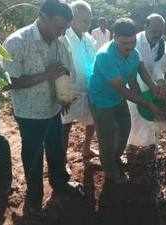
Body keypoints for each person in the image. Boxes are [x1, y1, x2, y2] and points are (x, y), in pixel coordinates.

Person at [2, 0, 76, 217]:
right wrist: (46, 75)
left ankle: (60, 182)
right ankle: (34, 199)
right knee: (34, 155)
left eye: (65, 29)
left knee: (55, 148)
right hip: (30, 113)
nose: (62, 33)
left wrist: (64, 97)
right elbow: (8, 81)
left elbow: (63, 71)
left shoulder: (59, 41)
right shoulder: (17, 42)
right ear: (43, 17)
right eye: (59, 26)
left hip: (53, 109)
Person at [88, 18, 165, 184]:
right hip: (101, 100)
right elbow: (124, 89)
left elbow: (140, 70)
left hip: (118, 97)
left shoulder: (134, 53)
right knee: (107, 135)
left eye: (132, 42)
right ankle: (110, 171)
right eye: (124, 43)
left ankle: (114, 157)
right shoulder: (105, 56)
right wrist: (148, 104)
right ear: (115, 38)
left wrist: (153, 88)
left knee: (125, 127)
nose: (129, 47)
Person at [61, 0, 97, 164]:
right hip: (70, 90)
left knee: (92, 121)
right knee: (65, 126)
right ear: (72, 18)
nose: (87, 24)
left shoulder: (89, 39)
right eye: (84, 20)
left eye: (89, 20)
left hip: (88, 88)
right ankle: (61, 160)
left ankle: (86, 148)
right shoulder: (63, 37)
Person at [127, 13, 166, 151]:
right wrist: (152, 84)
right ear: (146, 26)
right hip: (133, 81)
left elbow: (159, 65)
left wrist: (160, 80)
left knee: (151, 113)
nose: (157, 35)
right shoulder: (135, 41)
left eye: (160, 32)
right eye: (154, 31)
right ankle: (131, 145)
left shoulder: (162, 43)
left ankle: (150, 143)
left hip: (152, 83)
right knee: (134, 114)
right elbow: (136, 66)